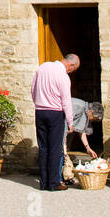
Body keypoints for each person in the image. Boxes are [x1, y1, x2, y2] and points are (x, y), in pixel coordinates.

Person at [31, 53, 78, 191]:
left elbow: (33, 89)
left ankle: (44, 182)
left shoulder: (42, 67)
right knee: (55, 148)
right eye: (73, 70)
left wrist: (38, 103)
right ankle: (53, 183)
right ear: (71, 65)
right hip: (55, 113)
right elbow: (66, 100)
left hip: (40, 111)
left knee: (43, 147)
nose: (71, 72)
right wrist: (70, 121)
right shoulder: (63, 75)